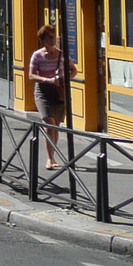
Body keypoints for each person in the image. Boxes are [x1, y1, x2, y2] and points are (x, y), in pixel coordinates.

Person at [28, 23, 76, 168]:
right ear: (42, 40)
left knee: (56, 126)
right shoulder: (37, 56)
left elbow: (74, 71)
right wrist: (48, 80)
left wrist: (64, 79)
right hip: (43, 93)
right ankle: (50, 158)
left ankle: (53, 155)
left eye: (54, 36)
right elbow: (31, 76)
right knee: (49, 124)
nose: (53, 39)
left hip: (59, 93)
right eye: (49, 37)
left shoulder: (62, 55)